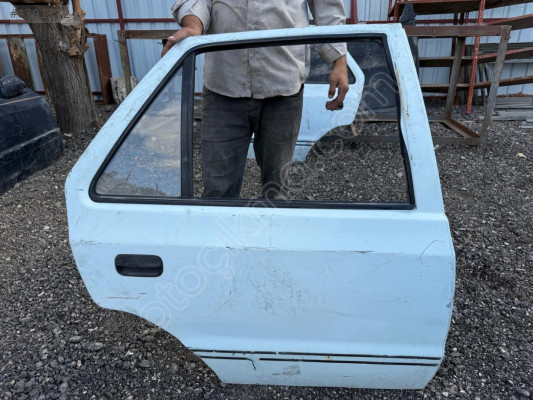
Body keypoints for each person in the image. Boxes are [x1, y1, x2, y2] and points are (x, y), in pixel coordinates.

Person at [162, 1, 349, 199]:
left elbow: (327, 6)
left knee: (276, 190)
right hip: (224, 85)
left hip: (282, 86)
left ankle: (273, 219)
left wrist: (340, 60)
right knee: (218, 192)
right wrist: (193, 25)